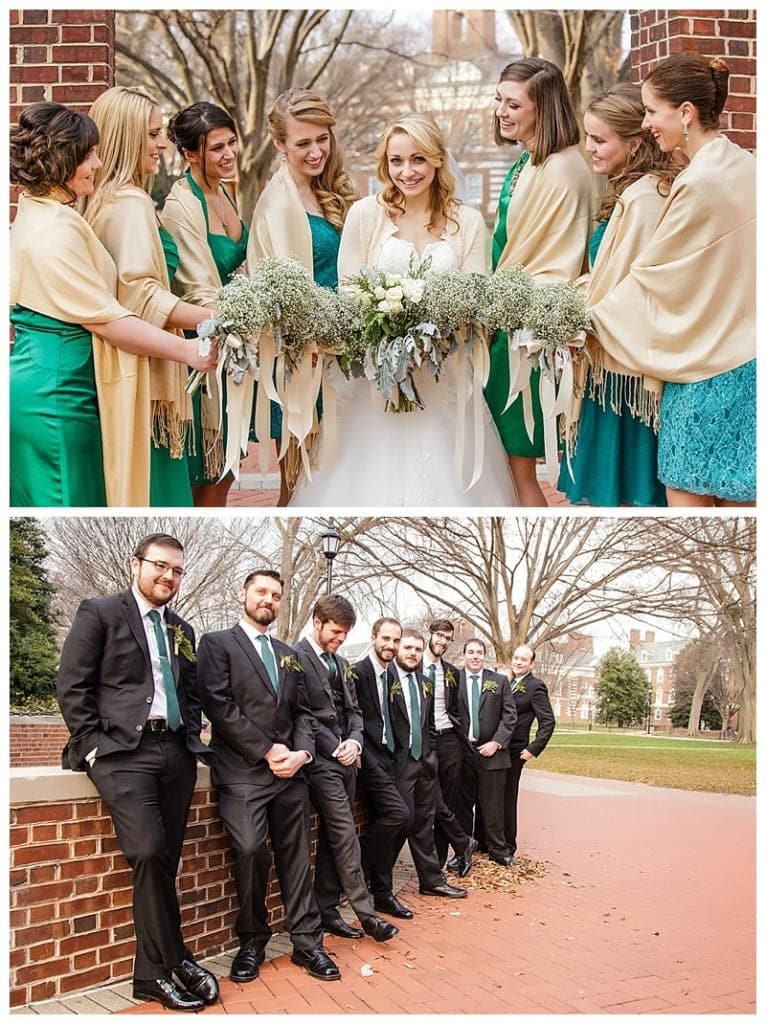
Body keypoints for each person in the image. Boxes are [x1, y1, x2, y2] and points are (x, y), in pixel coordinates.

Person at [291, 113, 517, 507]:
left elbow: (475, 295)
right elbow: (348, 289)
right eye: (396, 161)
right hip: (374, 382)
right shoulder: (365, 214)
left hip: (443, 376)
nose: (407, 172)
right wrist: (385, 341)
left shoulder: (467, 222)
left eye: (418, 159)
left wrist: (433, 340)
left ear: (437, 160)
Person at [9, 102, 216, 508]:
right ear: (62, 160)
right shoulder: (54, 232)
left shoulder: (43, 212)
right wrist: (187, 350)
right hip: (57, 396)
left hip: (54, 382)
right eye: (88, 156)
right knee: (68, 501)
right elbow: (109, 321)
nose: (98, 164)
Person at [55, 534, 218, 1011]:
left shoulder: (182, 629)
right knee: (147, 852)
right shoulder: (101, 612)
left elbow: (190, 692)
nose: (169, 576)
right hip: (122, 752)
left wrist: (193, 740)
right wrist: (91, 746)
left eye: (177, 570)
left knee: (165, 861)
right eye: (160, 566)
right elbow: (72, 683)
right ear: (136, 564)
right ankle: (178, 957)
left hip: (175, 751)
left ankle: (151, 975)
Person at [587, 53, 755, 506]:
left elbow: (655, 280)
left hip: (706, 371)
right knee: (743, 501)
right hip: (749, 362)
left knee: (686, 495)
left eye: (651, 111)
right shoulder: (746, 165)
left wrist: (586, 320)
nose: (645, 124)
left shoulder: (699, 183)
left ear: (685, 113)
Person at [196, 570, 341, 983]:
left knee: (297, 858)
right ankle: (252, 940)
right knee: (249, 850)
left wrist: (302, 753)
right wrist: (267, 749)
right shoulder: (217, 644)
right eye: (261, 591)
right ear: (243, 594)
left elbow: (303, 712)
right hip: (242, 772)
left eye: (276, 595)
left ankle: (307, 944)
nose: (269, 600)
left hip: (290, 775)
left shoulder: (286, 653)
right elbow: (218, 705)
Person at [84, 85, 214, 507]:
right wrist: (216, 318)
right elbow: (140, 296)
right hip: (147, 380)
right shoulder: (129, 204)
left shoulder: (100, 200)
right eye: (153, 134)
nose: (162, 144)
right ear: (125, 137)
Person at [559, 84, 676, 507]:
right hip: (607, 356)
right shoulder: (630, 191)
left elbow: (629, 287)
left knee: (627, 496)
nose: (589, 148)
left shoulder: (645, 199)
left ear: (635, 143)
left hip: (624, 369)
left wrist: (575, 310)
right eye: (588, 137)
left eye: (599, 139)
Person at [484, 58, 591, 506]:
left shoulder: (563, 168)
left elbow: (559, 254)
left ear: (542, 108)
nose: (501, 112)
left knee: (519, 468)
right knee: (509, 467)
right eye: (499, 101)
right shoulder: (528, 160)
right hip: (504, 323)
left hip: (526, 332)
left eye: (513, 104)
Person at [248, 88, 359, 505]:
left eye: (322, 139)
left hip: (339, 352)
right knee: (297, 488)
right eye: (303, 144)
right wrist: (308, 347)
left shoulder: (321, 187)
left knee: (335, 477)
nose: (316, 152)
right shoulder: (279, 205)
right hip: (303, 361)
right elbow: (281, 293)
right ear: (280, 144)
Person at [294, 596, 398, 943]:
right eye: (336, 632)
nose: (340, 638)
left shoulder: (341, 662)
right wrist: (334, 746)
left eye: (345, 633)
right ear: (317, 622)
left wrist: (354, 741)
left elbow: (355, 712)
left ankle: (327, 910)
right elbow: (302, 714)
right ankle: (368, 916)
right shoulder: (295, 657)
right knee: (344, 832)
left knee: (332, 836)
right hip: (320, 762)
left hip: (347, 760)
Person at [161, 101, 249, 507]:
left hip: (237, 346)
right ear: (190, 153)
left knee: (227, 472)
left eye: (231, 143)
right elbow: (197, 289)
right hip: (202, 351)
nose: (229, 154)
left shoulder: (224, 191)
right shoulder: (181, 206)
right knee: (208, 473)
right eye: (216, 148)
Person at [388, 629, 467, 899]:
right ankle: (379, 882)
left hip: (424, 761)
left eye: (417, 649)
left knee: (424, 823)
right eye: (407, 648)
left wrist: (430, 754)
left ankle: (431, 880)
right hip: (399, 764)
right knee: (403, 820)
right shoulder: (387, 679)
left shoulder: (425, 683)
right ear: (398, 649)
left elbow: (428, 724)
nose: (413, 653)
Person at [352, 618, 413, 919]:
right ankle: (355, 860)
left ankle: (382, 892)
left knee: (399, 821)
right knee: (399, 814)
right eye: (386, 638)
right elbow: (351, 716)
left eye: (396, 640)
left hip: (391, 757)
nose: (391, 645)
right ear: (374, 637)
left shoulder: (391, 676)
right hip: (368, 757)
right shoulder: (358, 673)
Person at [454, 639, 517, 866]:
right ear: (464, 655)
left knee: (493, 805)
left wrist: (497, 742)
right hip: (463, 752)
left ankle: (498, 849)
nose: (475, 656)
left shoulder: (499, 681)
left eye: (479, 652)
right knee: (462, 806)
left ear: (484, 656)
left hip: (492, 752)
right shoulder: (454, 680)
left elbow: (510, 716)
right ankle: (462, 850)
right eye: (471, 652)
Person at [424, 620, 475, 875]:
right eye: (440, 636)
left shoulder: (452, 672)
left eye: (448, 638)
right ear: (430, 634)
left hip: (449, 740)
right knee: (432, 799)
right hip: (424, 740)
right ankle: (463, 842)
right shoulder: (413, 666)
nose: (443, 642)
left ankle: (439, 864)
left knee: (448, 800)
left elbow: (456, 709)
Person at [505, 645, 556, 863]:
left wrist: (532, 749)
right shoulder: (506, 683)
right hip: (497, 748)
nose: (518, 662)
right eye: (516, 658)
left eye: (523, 659)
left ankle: (508, 846)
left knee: (507, 798)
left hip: (515, 751)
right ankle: (488, 841)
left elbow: (548, 721)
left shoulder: (536, 687)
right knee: (491, 797)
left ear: (532, 664)